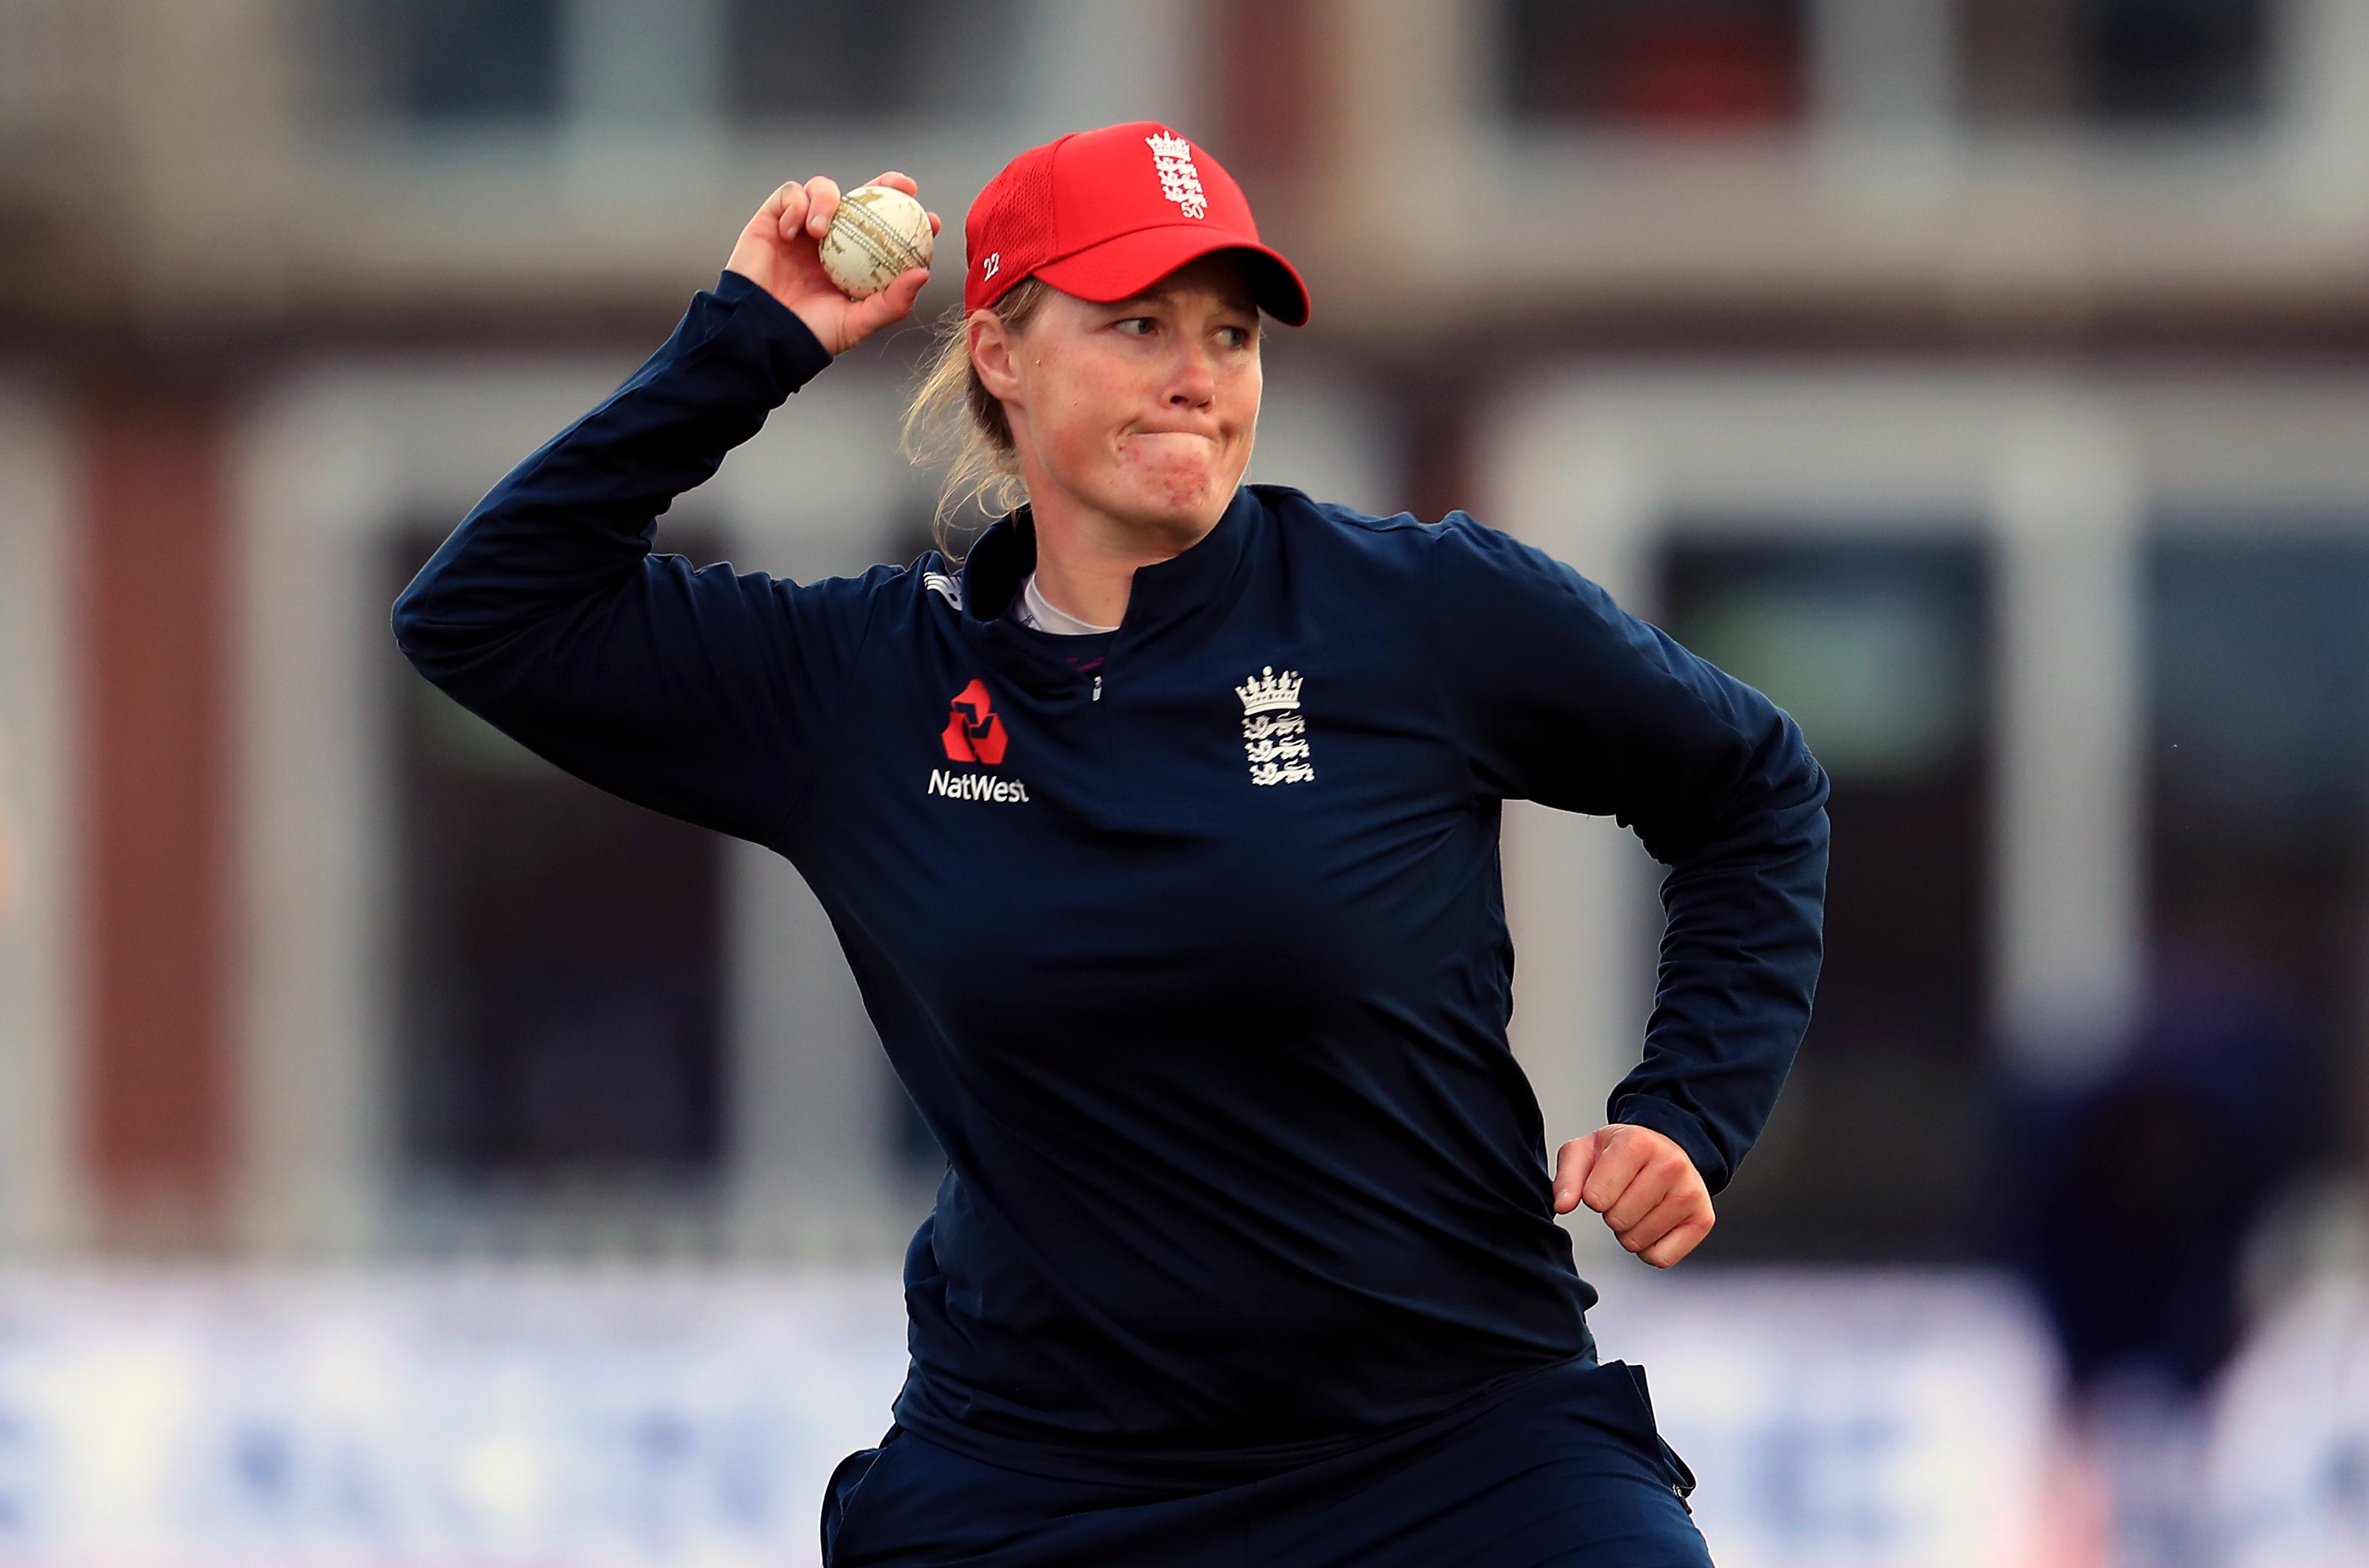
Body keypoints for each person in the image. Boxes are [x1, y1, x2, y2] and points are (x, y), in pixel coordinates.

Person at [393, 122, 1828, 1567]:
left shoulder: (1418, 610)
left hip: (1457, 1444)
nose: (1196, 375)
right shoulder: (864, 688)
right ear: (1001, 354)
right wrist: (751, 340)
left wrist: (1686, 1106)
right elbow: (484, 615)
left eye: (1231, 331)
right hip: (1045, 1477)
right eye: (1135, 324)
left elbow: (1756, 787)